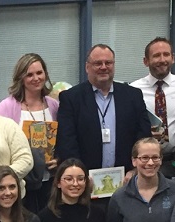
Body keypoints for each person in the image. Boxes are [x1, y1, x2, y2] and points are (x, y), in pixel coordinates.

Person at [56, 44, 151, 179]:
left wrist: (136, 170)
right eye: (97, 63)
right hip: (85, 181)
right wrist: (78, 175)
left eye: (108, 63)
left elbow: (143, 137)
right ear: (87, 67)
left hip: (127, 178)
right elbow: (67, 142)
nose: (104, 67)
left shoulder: (133, 95)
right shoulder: (71, 98)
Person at [0, 53, 61, 211]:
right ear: (21, 78)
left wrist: (59, 159)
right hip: (20, 182)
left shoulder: (54, 105)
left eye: (39, 73)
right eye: (29, 74)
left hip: (49, 180)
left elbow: (62, 138)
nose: (36, 78)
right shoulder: (7, 106)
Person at [130, 37, 175, 170]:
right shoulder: (134, 90)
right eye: (156, 56)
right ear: (146, 61)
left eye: (166, 55)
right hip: (144, 162)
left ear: (173, 58)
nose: (162, 60)